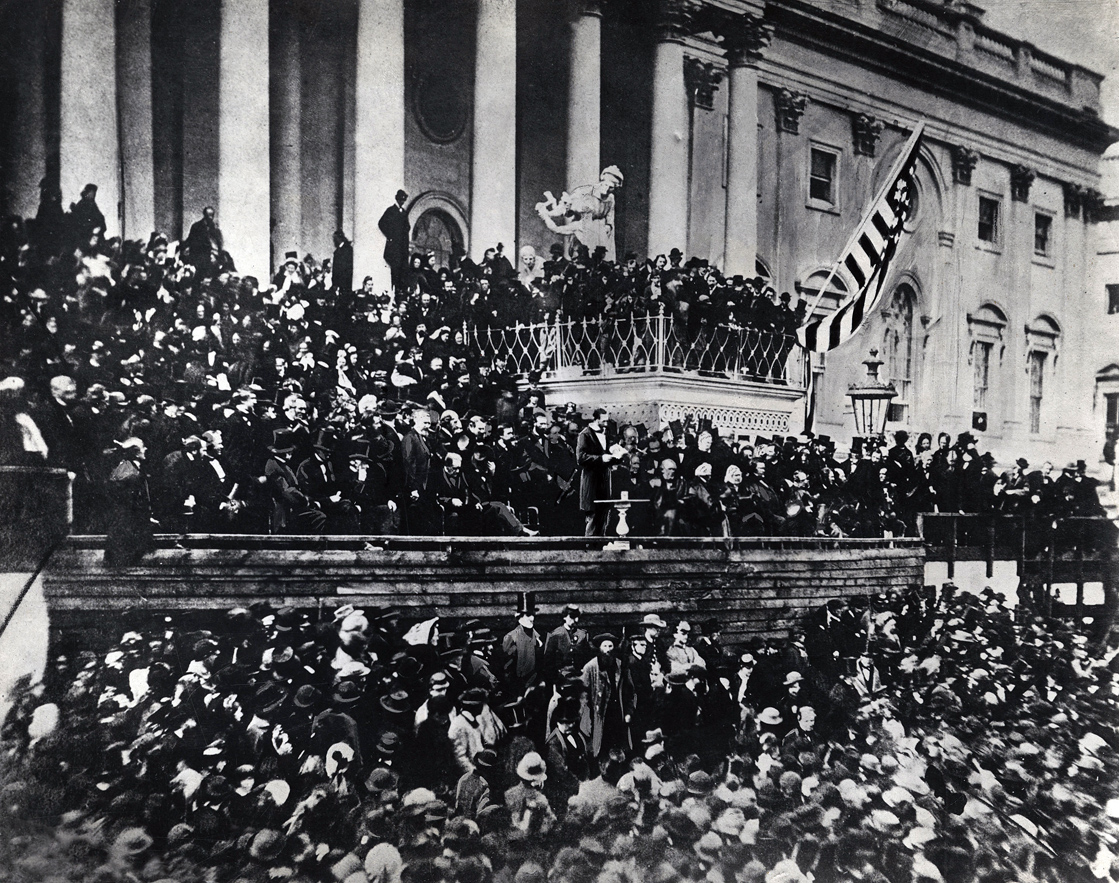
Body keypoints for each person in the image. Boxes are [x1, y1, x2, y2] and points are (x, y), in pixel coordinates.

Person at [577, 408, 617, 537]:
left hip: (604, 482)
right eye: (603, 421)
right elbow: (581, 457)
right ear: (596, 419)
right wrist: (601, 458)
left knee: (604, 516)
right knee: (593, 518)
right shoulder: (585, 434)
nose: (606, 423)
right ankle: (589, 549)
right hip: (592, 482)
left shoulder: (606, 433)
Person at [378, 189, 410, 291]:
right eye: (400, 199)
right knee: (395, 270)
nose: (402, 202)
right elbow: (381, 223)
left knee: (402, 271)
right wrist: (391, 236)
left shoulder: (404, 213)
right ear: (397, 199)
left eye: (403, 200)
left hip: (402, 247)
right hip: (394, 247)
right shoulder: (391, 211)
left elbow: (407, 227)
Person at [184, 207, 224, 276]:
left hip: (212, 260)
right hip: (199, 258)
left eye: (212, 215)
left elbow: (219, 243)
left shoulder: (215, 229)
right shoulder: (196, 226)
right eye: (208, 215)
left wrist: (217, 257)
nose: (210, 217)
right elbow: (190, 240)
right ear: (204, 215)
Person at [332, 229, 354, 297]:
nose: (334, 241)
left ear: (339, 238)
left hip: (344, 282)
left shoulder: (347, 249)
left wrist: (337, 282)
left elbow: (343, 267)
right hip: (340, 282)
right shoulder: (339, 250)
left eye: (335, 238)